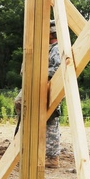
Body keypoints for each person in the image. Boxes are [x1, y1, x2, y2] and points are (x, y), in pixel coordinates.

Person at [14, 20, 63, 168]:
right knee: (23, 107)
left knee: (50, 120)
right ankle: (27, 149)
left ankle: (51, 157)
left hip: (48, 88)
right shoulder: (44, 47)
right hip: (38, 87)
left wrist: (38, 72)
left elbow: (59, 69)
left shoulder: (57, 48)